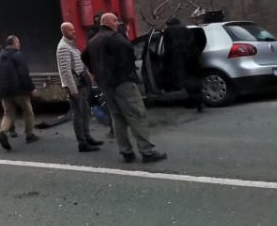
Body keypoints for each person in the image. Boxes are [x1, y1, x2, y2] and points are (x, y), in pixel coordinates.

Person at [86, 13, 167, 163]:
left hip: (105, 84)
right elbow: (129, 51)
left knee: (117, 117)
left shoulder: (93, 41)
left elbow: (85, 56)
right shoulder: (115, 38)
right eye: (115, 20)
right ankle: (147, 151)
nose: (118, 23)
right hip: (122, 83)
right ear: (108, 22)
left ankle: (126, 151)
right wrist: (127, 72)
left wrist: (95, 72)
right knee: (137, 115)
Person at [57, 22, 104, 152]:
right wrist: (72, 89)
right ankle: (82, 142)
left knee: (86, 112)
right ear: (64, 31)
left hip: (82, 84)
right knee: (78, 114)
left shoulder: (71, 45)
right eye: (71, 30)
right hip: (76, 86)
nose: (74, 32)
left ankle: (87, 136)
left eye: (74, 29)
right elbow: (65, 71)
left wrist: (88, 74)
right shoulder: (63, 48)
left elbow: (79, 63)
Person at [0, 35, 39, 150]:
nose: (19, 44)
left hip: (4, 91)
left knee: (8, 113)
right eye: (18, 42)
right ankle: (29, 134)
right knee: (28, 111)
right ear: (14, 43)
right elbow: (23, 74)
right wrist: (31, 88)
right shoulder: (18, 55)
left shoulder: (0, 56)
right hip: (18, 90)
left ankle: (3, 132)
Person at [162, 17, 205, 112]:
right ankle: (199, 99)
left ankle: (192, 101)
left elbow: (167, 47)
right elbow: (193, 42)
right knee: (193, 78)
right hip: (191, 57)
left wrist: (166, 60)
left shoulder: (167, 31)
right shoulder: (185, 29)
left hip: (178, 59)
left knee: (185, 81)